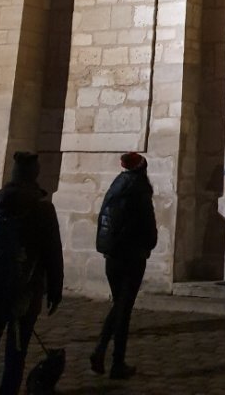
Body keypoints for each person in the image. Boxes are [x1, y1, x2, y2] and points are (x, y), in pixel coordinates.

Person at [0, 151, 63, 395]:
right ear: (35, 176)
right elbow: (53, 253)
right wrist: (54, 289)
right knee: (16, 352)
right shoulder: (43, 211)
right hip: (26, 293)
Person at [91, 151, 158, 379]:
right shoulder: (140, 190)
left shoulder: (116, 185)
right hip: (132, 256)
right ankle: (115, 361)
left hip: (112, 255)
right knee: (123, 308)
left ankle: (101, 350)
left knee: (119, 304)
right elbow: (148, 224)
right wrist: (149, 244)